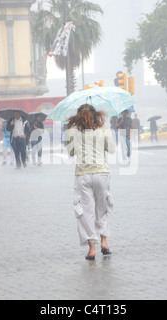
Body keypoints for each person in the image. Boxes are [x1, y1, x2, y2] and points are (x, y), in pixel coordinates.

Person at [66, 104, 116, 260]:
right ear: (96, 115)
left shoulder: (73, 132)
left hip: (83, 175)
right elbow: (112, 149)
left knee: (86, 212)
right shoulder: (103, 129)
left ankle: (92, 249)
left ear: (78, 116)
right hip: (101, 173)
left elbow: (71, 152)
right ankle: (104, 242)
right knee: (101, 209)